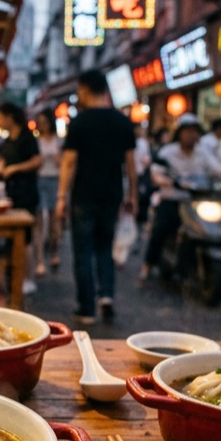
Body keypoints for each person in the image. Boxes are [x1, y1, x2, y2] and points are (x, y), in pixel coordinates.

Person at [55, 70, 138, 323]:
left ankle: (86, 308)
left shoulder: (80, 122)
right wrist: (133, 194)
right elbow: (131, 164)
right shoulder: (122, 121)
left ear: (85, 89)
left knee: (83, 252)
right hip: (112, 195)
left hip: (84, 196)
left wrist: (61, 197)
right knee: (105, 247)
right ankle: (107, 296)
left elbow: (69, 163)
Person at [140, 120, 221, 280]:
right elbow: (156, 174)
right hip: (172, 199)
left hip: (194, 201)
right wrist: (167, 181)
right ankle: (147, 264)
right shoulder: (168, 152)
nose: (191, 135)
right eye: (187, 131)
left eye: (195, 132)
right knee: (160, 230)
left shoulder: (203, 153)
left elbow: (218, 169)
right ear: (180, 133)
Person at [0, 102, 41, 294]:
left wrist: (15, 168)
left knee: (25, 237)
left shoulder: (27, 138)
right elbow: (4, 160)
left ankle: (28, 277)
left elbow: (38, 161)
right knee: (10, 237)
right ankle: (14, 276)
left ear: (9, 117)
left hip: (26, 193)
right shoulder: (8, 140)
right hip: (10, 193)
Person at [34, 109, 64, 275]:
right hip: (40, 179)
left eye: (44, 122)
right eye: (40, 122)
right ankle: (39, 260)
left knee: (54, 221)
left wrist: (56, 158)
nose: (42, 125)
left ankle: (54, 252)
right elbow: (34, 162)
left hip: (54, 180)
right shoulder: (36, 141)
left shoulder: (58, 141)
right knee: (38, 222)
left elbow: (63, 163)